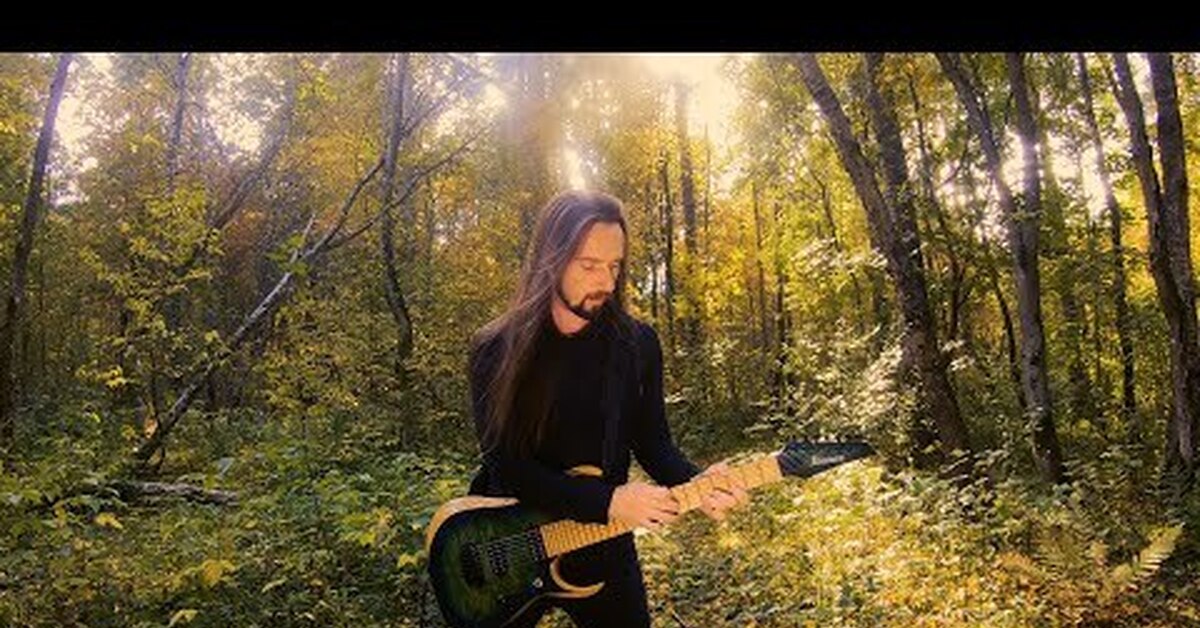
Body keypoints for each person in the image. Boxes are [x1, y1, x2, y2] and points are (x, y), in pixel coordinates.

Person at [466, 190, 750, 627]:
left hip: (603, 538)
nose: (606, 282)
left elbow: (654, 444)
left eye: (615, 266)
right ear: (550, 260)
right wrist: (609, 500)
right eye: (589, 265)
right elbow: (507, 465)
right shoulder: (495, 348)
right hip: (510, 543)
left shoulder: (637, 344)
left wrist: (697, 483)